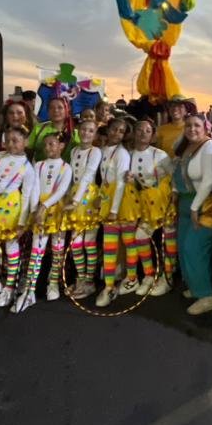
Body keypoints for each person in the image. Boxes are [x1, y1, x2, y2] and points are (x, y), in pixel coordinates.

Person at [171, 112, 212, 315]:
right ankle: (195, 287)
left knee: (194, 247)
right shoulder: (186, 146)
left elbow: (209, 181)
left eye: (196, 125)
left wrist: (195, 207)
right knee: (183, 246)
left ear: (206, 127)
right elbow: (178, 172)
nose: (192, 129)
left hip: (208, 205)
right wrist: (175, 193)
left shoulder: (211, 147)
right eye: (188, 126)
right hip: (187, 202)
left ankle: (206, 296)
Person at [0, 127, 38, 308]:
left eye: (15, 140)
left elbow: (26, 196)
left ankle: (9, 287)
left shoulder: (27, 167)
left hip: (11, 210)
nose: (11, 144)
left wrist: (22, 222)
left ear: (25, 142)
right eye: (8, 140)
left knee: (11, 247)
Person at [119, 118, 173, 297]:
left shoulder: (160, 155)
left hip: (165, 205)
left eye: (147, 131)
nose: (143, 134)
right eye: (139, 130)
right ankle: (149, 275)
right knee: (140, 237)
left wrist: (172, 199)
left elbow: (174, 178)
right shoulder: (128, 155)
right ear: (134, 133)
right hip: (146, 207)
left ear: (153, 135)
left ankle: (168, 277)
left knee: (169, 242)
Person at [20, 131, 73, 312]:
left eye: (52, 144)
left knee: (58, 249)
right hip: (39, 211)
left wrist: (44, 206)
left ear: (61, 146)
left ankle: (53, 283)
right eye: (46, 144)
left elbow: (62, 190)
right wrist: (35, 208)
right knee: (37, 250)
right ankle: (30, 289)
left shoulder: (66, 167)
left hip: (57, 211)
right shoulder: (39, 165)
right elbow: (34, 187)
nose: (48, 147)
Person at [64, 119, 103, 298]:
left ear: (95, 134)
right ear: (78, 131)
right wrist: (69, 195)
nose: (86, 133)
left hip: (89, 198)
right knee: (75, 243)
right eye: (83, 129)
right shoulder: (74, 150)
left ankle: (89, 281)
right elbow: (71, 175)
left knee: (89, 242)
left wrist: (76, 200)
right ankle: (80, 278)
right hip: (75, 195)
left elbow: (88, 175)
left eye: (90, 131)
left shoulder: (95, 151)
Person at [96, 117, 132, 307]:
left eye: (121, 131)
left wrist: (114, 210)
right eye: (114, 129)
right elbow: (103, 179)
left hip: (121, 202)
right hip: (106, 198)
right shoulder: (102, 150)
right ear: (107, 129)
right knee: (109, 244)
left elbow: (120, 184)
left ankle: (127, 278)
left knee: (125, 243)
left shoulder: (122, 154)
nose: (116, 133)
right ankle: (109, 285)